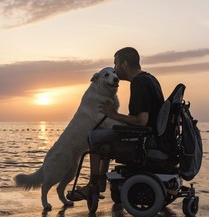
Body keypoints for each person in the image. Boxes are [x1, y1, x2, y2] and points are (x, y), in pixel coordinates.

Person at [70, 47, 164, 200]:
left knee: (93, 137)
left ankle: (93, 185)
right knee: (104, 137)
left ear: (124, 64)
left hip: (143, 137)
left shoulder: (139, 83)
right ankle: (100, 181)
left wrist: (114, 115)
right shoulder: (151, 79)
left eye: (116, 65)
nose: (115, 69)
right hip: (151, 134)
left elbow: (141, 121)